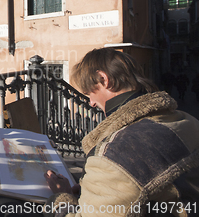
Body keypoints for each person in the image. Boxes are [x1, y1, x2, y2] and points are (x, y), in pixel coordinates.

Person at [44, 48, 199, 217]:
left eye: (89, 93)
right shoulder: (188, 120)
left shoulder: (114, 154)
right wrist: (94, 192)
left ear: (104, 79)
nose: (92, 103)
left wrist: (61, 201)